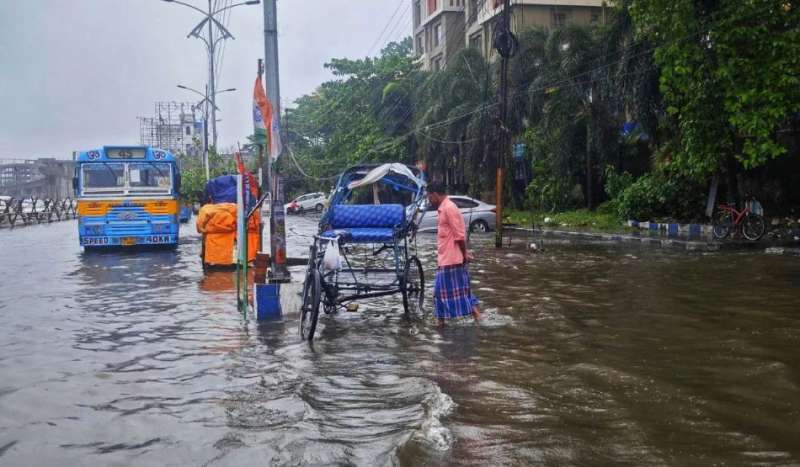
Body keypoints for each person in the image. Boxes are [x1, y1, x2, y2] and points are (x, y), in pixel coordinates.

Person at [426, 181, 481, 325]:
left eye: (429, 197)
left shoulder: (449, 208)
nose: (429, 201)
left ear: (435, 194)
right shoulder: (443, 209)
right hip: (446, 260)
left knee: (445, 294)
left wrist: (464, 254)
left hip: (452, 261)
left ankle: (442, 324)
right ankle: (443, 324)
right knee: (459, 293)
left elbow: (459, 236)